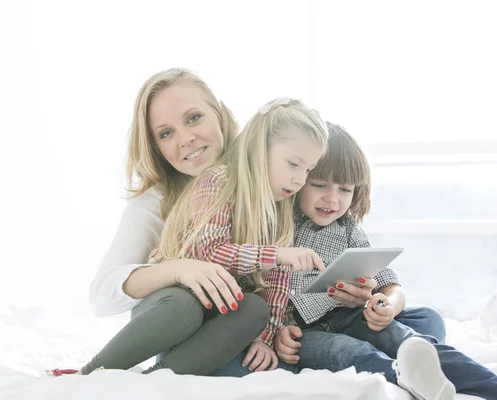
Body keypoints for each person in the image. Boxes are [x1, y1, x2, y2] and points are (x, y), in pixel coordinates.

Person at [218, 123, 497, 400]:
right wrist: (276, 332)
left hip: (350, 316)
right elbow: (255, 291)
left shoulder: (349, 229)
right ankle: (411, 377)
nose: (332, 199)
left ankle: (488, 384)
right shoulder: (276, 224)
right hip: (304, 334)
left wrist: (387, 306)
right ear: (298, 179)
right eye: (319, 185)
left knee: (412, 334)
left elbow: (390, 284)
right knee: (351, 352)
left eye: (345, 189)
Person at [49, 68, 271, 376]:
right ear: (156, 147)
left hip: (222, 328)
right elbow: (101, 295)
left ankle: (151, 382)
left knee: (255, 308)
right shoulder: (156, 200)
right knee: (183, 305)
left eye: (194, 118)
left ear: (219, 113)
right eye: (166, 133)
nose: (186, 139)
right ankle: (89, 376)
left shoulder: (264, 180)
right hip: (174, 315)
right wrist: (179, 269)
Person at [152, 97, 327, 368]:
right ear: (261, 148)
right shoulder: (220, 180)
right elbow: (210, 252)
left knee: (257, 351)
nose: (300, 179)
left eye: (308, 169)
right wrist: (277, 254)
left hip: (225, 318)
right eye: (293, 164)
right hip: (182, 306)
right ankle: (149, 377)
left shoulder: (280, 209)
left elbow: (277, 284)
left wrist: (265, 338)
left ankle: (162, 376)